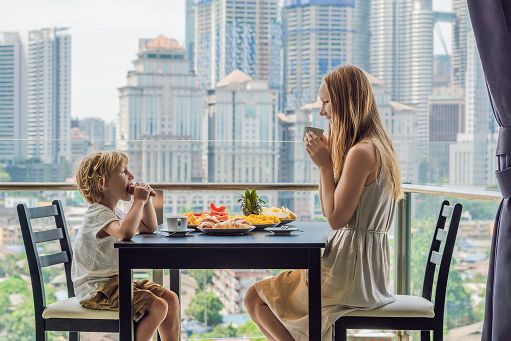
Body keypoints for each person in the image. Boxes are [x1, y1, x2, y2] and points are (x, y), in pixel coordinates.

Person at [244, 65, 403, 341]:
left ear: (346, 102)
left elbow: (334, 218)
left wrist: (325, 167)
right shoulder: (377, 145)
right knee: (259, 295)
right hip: (366, 270)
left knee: (254, 297)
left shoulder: (361, 153)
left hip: (350, 273)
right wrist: (326, 161)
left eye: (326, 102)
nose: (322, 112)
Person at [71, 151, 180, 341]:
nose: (131, 176)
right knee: (158, 306)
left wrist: (145, 203)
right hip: (97, 290)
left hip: (116, 282)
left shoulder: (116, 212)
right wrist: (138, 200)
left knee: (170, 298)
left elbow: (148, 228)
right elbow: (125, 233)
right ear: (103, 183)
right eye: (123, 172)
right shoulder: (97, 214)